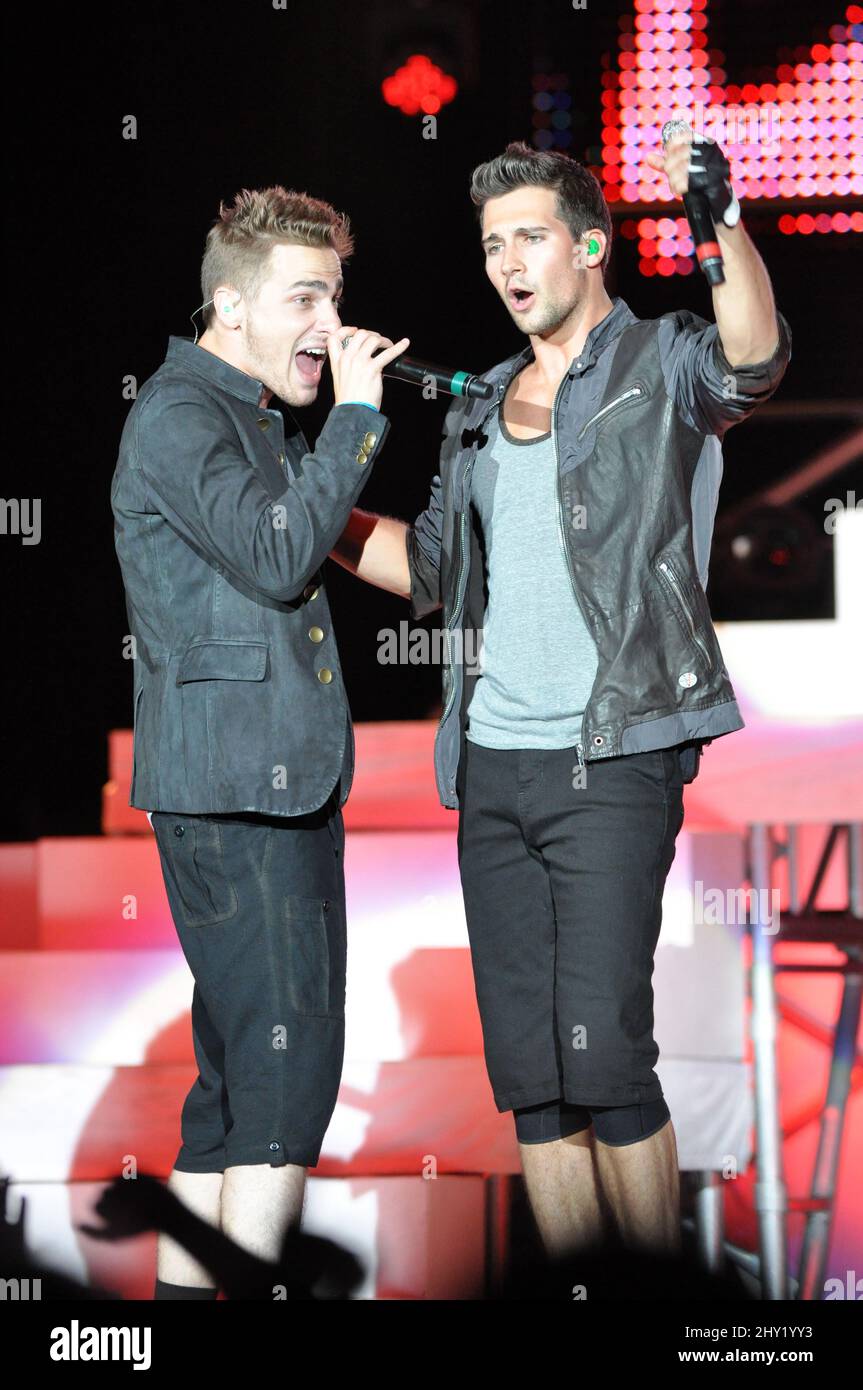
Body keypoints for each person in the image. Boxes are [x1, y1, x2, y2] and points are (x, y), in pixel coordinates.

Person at [329, 136, 791, 1255]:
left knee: (606, 1063)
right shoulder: (480, 402)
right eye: (491, 245)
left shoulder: (660, 361)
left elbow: (753, 359)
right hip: (492, 769)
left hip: (613, 753)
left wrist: (718, 224)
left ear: (589, 246)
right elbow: (434, 570)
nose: (506, 262)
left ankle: (656, 1299)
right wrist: (307, 508)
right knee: (533, 1081)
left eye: (528, 236)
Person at [111, 185, 407, 1297]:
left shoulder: (234, 411)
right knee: (285, 1077)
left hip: (250, 784)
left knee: (237, 1079)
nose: (330, 326)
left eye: (335, 293)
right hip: (241, 790)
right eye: (305, 297)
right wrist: (358, 417)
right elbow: (281, 553)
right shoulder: (186, 412)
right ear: (229, 308)